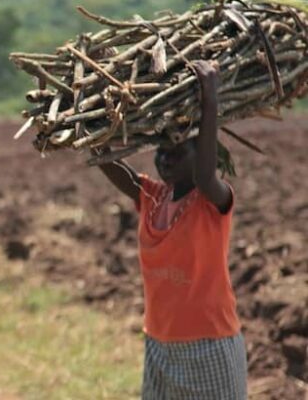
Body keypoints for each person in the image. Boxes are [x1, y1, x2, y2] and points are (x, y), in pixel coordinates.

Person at [96, 61, 246, 399]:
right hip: (159, 342)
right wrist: (93, 132)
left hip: (209, 345)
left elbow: (205, 176)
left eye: (178, 151)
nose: (165, 159)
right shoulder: (152, 196)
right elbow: (116, 169)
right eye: (162, 151)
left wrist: (210, 99)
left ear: (202, 155)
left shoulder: (211, 202)